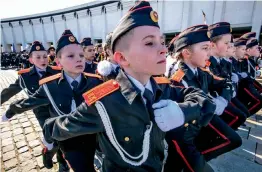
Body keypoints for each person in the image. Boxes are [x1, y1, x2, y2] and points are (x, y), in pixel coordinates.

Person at [42, 1, 216, 171]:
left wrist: (183, 111)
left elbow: (202, 98)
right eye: (149, 43)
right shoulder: (104, 103)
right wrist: (48, 141)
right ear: (123, 58)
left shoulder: (163, 88)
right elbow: (60, 126)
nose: (163, 49)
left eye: (162, 41)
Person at [2, 30, 102, 172]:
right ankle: (50, 154)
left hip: (92, 135)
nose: (79, 59)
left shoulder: (95, 82)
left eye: (81, 55)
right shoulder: (50, 86)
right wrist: (11, 111)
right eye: (71, 56)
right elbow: (30, 102)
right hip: (67, 137)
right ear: (58, 60)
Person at [165, 24, 241, 172]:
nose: (209, 53)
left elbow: (225, 83)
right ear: (187, 53)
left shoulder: (202, 71)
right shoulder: (178, 77)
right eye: (205, 48)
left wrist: (223, 100)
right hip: (184, 136)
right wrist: (210, 105)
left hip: (198, 128)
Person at [0, 41, 67, 171]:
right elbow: (10, 91)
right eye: (38, 57)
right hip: (41, 113)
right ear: (31, 60)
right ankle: (48, 153)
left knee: (62, 137)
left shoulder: (56, 71)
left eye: (44, 56)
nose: (43, 59)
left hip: (58, 109)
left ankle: (62, 164)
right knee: (54, 137)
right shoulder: (25, 76)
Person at [207, 22, 247, 130]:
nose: (230, 47)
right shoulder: (207, 64)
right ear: (213, 44)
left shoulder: (220, 62)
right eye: (226, 43)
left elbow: (225, 82)